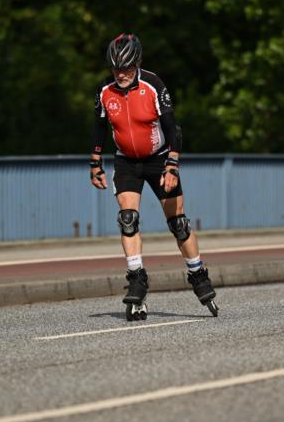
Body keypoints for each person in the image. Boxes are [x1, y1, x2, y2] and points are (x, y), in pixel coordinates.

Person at [89, 33, 218, 318]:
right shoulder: (104, 90)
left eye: (126, 68)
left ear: (138, 63)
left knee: (178, 223)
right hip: (126, 161)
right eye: (115, 68)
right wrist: (95, 161)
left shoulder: (153, 85)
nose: (120, 74)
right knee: (127, 219)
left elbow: (173, 129)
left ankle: (198, 275)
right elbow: (99, 127)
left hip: (159, 159)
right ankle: (137, 279)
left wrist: (172, 165)